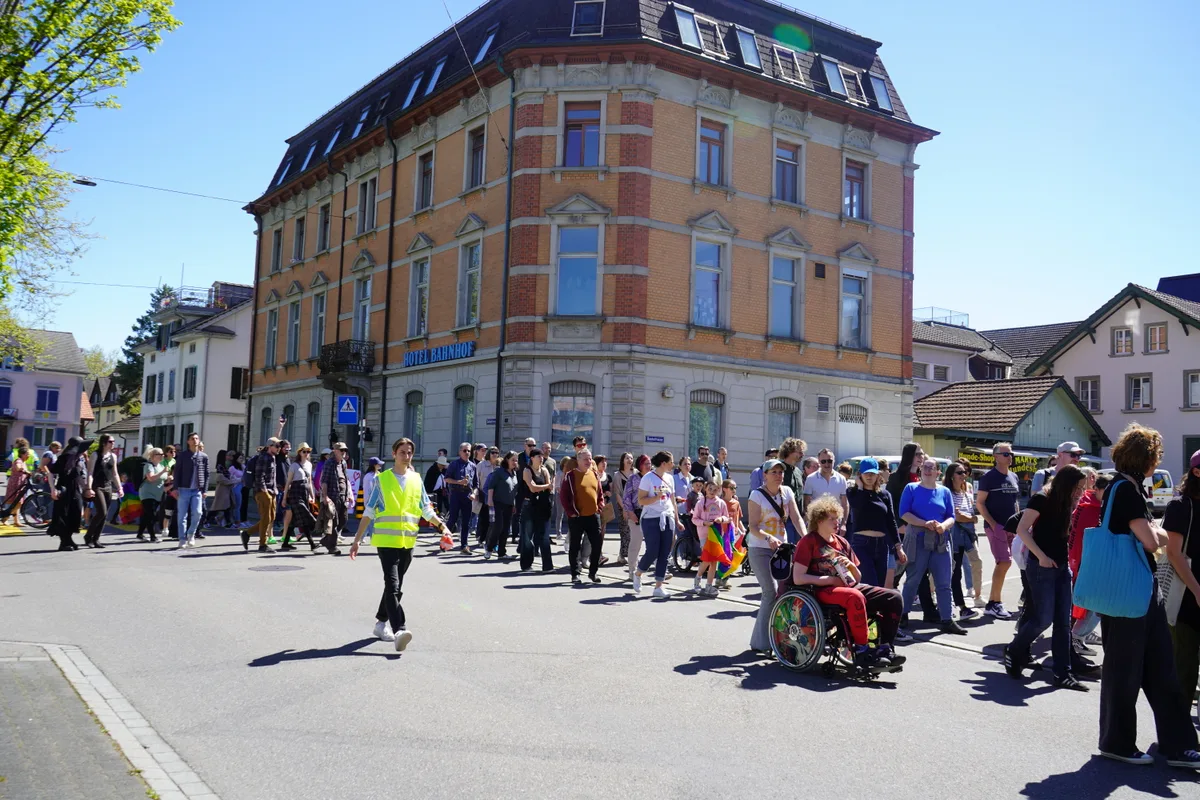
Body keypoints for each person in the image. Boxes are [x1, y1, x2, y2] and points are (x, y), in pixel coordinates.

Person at [1094, 424, 1200, 768]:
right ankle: (1117, 742)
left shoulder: (1128, 488)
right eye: (1157, 455)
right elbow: (1153, 541)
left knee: (1162, 670)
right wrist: (1157, 534)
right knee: (1124, 672)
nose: (1158, 462)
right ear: (1147, 457)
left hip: (1141, 590)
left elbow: (1149, 534)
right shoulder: (1125, 490)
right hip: (1129, 592)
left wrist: (1154, 532)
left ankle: (1179, 745)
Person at [350, 437, 452, 652]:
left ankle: (380, 623)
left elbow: (426, 509)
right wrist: (357, 540)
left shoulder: (416, 479)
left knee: (394, 587)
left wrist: (443, 528)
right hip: (386, 542)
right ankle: (400, 630)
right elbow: (369, 511)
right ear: (394, 454)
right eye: (402, 452)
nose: (406, 456)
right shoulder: (382, 480)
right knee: (393, 585)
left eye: (409, 453)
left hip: (407, 542)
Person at [793, 497, 906, 669]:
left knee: (894, 597)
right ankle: (862, 650)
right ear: (819, 520)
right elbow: (798, 577)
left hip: (847, 587)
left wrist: (852, 567)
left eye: (837, 518)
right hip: (821, 590)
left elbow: (857, 578)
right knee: (855, 596)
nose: (836, 522)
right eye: (832, 518)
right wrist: (830, 580)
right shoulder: (808, 542)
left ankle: (885, 648)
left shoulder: (842, 542)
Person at [1004, 464, 1089, 691]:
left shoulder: (1067, 501)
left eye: (1082, 488)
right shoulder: (1041, 498)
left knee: (1063, 623)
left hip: (1061, 567)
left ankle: (1063, 673)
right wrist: (1040, 556)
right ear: (1066, 484)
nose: (1080, 492)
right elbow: (1021, 529)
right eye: (1078, 488)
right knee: (1043, 619)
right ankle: (1014, 649)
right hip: (1040, 566)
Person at [898, 458, 967, 635]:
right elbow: (904, 513)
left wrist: (943, 526)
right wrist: (924, 523)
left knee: (944, 582)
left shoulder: (944, 492)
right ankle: (902, 616)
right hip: (918, 540)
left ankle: (947, 619)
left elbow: (951, 516)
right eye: (925, 467)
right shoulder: (911, 488)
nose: (928, 470)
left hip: (940, 541)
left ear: (938, 472)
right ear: (921, 470)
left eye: (932, 468)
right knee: (913, 579)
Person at [746, 458, 806, 652]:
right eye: (774, 472)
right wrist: (768, 538)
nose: (779, 476)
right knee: (770, 592)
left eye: (781, 472)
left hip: (782, 549)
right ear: (765, 475)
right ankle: (761, 643)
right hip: (760, 548)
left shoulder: (786, 492)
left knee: (783, 593)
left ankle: (776, 638)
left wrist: (806, 539)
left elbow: (796, 518)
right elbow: (753, 527)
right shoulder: (757, 495)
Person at [1166, 449, 1200, 717]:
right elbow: (1174, 553)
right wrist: (1197, 590)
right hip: (1187, 597)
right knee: (1184, 668)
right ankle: (1177, 734)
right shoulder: (1181, 506)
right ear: (1197, 472)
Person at [887, 442, 937, 620]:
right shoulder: (896, 478)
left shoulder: (923, 478)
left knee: (921, 572)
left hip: (920, 531)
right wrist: (899, 526)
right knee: (896, 574)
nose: (921, 457)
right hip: (901, 532)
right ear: (908, 456)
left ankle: (928, 612)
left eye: (922, 454)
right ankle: (894, 612)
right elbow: (890, 505)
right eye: (917, 454)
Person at [976, 442, 1022, 620]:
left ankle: (993, 603)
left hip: (1012, 527)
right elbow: (980, 503)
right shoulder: (989, 477)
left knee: (1005, 563)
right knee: (1004, 562)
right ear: (995, 456)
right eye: (1005, 454)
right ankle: (994, 603)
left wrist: (1019, 522)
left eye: (1011, 454)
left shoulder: (1014, 476)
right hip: (996, 526)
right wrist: (993, 524)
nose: (1010, 457)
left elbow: (1014, 501)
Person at [847, 458, 904, 588]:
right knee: (869, 584)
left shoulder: (884, 494)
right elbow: (857, 505)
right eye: (866, 473)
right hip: (862, 544)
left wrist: (898, 547)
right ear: (859, 474)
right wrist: (860, 488)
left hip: (882, 545)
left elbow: (891, 521)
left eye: (872, 473)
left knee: (879, 587)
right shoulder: (853, 492)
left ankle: (875, 609)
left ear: (878, 475)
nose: (869, 476)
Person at [634, 451, 684, 599]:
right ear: (663, 463)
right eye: (671, 462)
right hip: (651, 517)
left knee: (665, 553)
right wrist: (655, 497)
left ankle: (658, 586)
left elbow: (672, 500)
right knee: (653, 550)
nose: (673, 465)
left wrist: (677, 520)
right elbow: (641, 500)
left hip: (667, 517)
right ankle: (638, 573)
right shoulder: (648, 478)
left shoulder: (670, 478)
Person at [1070, 474, 1111, 654]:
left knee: (1088, 602)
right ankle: (1077, 636)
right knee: (1097, 602)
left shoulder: (1087, 503)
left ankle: (1079, 634)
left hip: (1079, 561)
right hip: (1086, 563)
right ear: (1097, 489)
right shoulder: (1092, 509)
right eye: (1106, 491)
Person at [561, 448, 605, 584]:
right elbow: (564, 497)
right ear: (578, 460)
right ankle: (575, 573)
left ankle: (593, 573)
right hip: (577, 517)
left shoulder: (594, 474)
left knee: (597, 544)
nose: (588, 461)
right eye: (585, 459)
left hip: (593, 516)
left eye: (590, 458)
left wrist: (600, 506)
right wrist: (571, 512)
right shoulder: (570, 476)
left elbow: (600, 494)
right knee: (575, 546)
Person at [944, 463, 980, 621]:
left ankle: (967, 600)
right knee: (953, 572)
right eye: (960, 472)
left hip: (966, 537)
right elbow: (956, 516)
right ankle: (959, 606)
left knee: (974, 564)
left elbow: (965, 513)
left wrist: (968, 517)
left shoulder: (966, 494)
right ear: (951, 475)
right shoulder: (948, 493)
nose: (963, 475)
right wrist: (970, 518)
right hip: (953, 537)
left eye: (965, 472)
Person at [47, 437, 92, 551]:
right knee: (64, 516)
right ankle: (64, 542)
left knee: (75, 514)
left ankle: (69, 539)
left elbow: (80, 476)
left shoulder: (79, 459)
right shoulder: (65, 458)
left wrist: (87, 489)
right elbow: (51, 474)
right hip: (64, 490)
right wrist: (53, 489)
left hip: (75, 490)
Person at [691, 477, 730, 597]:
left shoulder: (721, 503)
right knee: (707, 559)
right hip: (704, 534)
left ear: (718, 490)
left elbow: (727, 518)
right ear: (705, 490)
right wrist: (704, 523)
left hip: (717, 535)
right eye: (709, 489)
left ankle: (709, 585)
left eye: (714, 489)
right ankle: (697, 578)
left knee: (714, 562)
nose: (712, 491)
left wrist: (721, 519)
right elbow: (694, 519)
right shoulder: (700, 503)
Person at [82, 434, 121, 548]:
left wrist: (119, 488)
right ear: (104, 443)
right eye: (110, 441)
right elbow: (90, 473)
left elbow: (114, 473)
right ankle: (88, 536)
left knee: (104, 515)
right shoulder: (95, 455)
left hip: (108, 486)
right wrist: (89, 488)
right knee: (101, 512)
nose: (112, 443)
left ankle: (96, 539)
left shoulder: (113, 456)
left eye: (113, 441)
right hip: (97, 486)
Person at [519, 449, 555, 572]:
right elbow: (533, 488)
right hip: (529, 506)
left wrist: (545, 487)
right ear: (532, 458)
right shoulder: (527, 470)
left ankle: (548, 567)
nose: (541, 458)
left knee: (544, 537)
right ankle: (526, 565)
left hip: (543, 506)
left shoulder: (544, 470)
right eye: (538, 456)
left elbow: (550, 487)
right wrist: (545, 487)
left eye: (542, 456)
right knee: (527, 537)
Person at [242, 439, 280, 552]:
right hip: (263, 491)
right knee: (266, 518)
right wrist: (264, 491)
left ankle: (247, 533)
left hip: (272, 490)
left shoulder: (272, 457)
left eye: (279, 445)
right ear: (270, 446)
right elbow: (259, 476)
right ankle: (262, 544)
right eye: (277, 446)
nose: (279, 448)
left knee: (271, 518)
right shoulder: (264, 457)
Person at [173, 432, 208, 549]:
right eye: (192, 439)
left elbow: (206, 474)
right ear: (188, 442)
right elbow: (177, 472)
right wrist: (175, 488)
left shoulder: (203, 456)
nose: (195, 441)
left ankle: (191, 534)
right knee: (182, 515)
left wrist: (205, 490)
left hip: (197, 490)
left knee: (198, 513)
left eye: (197, 439)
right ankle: (182, 538)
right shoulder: (183, 456)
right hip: (183, 489)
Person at [282, 444, 318, 551]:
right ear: (299, 453)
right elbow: (288, 482)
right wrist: (284, 498)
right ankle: (313, 539)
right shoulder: (294, 465)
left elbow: (310, 481)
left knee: (295, 520)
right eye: (304, 451)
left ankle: (285, 543)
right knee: (304, 514)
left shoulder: (309, 465)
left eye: (308, 451)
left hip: (305, 492)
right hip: (295, 493)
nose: (306, 454)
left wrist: (312, 495)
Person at [484, 450, 519, 561]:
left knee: (505, 529)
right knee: (498, 526)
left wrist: (513, 504)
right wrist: (490, 499)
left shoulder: (514, 474)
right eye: (512, 460)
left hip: (509, 504)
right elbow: (491, 486)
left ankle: (502, 552)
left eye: (516, 460)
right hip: (498, 502)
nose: (515, 462)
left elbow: (513, 491)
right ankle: (489, 548)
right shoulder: (499, 471)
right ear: (507, 460)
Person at [623, 454, 651, 580]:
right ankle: (632, 570)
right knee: (636, 543)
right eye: (646, 463)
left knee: (653, 543)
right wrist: (631, 513)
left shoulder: (652, 478)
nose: (648, 466)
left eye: (650, 463)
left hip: (651, 513)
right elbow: (626, 497)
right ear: (640, 465)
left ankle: (660, 569)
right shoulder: (633, 478)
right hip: (636, 513)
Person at [318, 442, 349, 555]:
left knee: (344, 519)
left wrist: (348, 495)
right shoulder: (329, 463)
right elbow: (324, 481)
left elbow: (346, 479)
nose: (344, 452)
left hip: (342, 496)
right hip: (332, 496)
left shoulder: (343, 463)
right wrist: (325, 496)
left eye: (345, 450)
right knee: (334, 522)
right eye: (342, 450)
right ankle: (332, 546)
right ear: (335, 451)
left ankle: (326, 540)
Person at [445, 442, 476, 554]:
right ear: (460, 452)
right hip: (456, 494)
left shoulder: (473, 466)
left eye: (469, 451)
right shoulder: (454, 464)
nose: (467, 453)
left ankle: (464, 545)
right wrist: (459, 482)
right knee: (452, 519)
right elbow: (447, 479)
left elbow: (476, 484)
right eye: (465, 451)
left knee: (466, 521)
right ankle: (445, 541)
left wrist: (474, 493)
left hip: (467, 495)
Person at [715, 478, 745, 591]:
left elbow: (738, 518)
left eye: (735, 488)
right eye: (732, 488)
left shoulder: (736, 503)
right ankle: (721, 578)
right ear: (724, 489)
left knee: (731, 556)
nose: (734, 490)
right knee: (724, 556)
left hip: (733, 534)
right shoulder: (720, 502)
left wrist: (742, 530)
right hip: (722, 533)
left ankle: (723, 578)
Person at [803, 448, 849, 516]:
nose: (827, 464)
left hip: (836, 521)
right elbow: (806, 503)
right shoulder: (810, 479)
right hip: (817, 521)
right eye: (823, 461)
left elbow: (845, 504)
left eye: (829, 461)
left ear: (834, 461)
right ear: (819, 462)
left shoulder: (841, 479)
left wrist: (843, 523)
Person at [779, 438, 806, 543]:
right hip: (785, 519)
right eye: (799, 452)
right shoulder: (780, 470)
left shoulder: (798, 472)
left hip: (798, 517)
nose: (802, 454)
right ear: (789, 451)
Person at [137, 448, 166, 542]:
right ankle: (153, 536)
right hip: (147, 493)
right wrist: (163, 472)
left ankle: (140, 534)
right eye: (159, 454)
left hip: (158, 494)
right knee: (151, 515)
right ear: (153, 456)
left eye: (162, 454)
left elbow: (162, 480)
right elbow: (151, 478)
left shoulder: (161, 466)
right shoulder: (149, 466)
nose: (162, 456)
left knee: (147, 515)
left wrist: (169, 478)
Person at [613, 452, 635, 566]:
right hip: (623, 506)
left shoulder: (635, 473)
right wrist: (625, 509)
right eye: (627, 458)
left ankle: (631, 555)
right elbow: (617, 494)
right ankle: (622, 555)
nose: (630, 460)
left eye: (631, 458)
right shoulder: (617, 475)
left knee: (634, 532)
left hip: (635, 506)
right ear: (623, 460)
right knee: (625, 531)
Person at [475, 447, 498, 548]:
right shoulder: (481, 465)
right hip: (483, 494)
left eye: (497, 453)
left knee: (492, 519)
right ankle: (481, 538)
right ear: (489, 454)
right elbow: (476, 480)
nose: (495, 454)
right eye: (492, 452)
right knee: (483, 518)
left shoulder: (498, 465)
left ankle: (489, 539)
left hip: (496, 495)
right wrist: (475, 493)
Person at [206, 449, 235, 528]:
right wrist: (231, 481)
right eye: (227, 455)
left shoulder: (225, 465)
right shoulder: (220, 466)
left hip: (226, 489)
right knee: (217, 507)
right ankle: (207, 520)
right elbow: (220, 477)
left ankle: (227, 522)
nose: (228, 457)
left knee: (226, 507)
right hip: (222, 489)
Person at [1, 446, 30, 526]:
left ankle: (16, 521)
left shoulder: (23, 462)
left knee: (18, 502)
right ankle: (5, 518)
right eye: (27, 454)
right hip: (15, 484)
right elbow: (18, 468)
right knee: (13, 502)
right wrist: (24, 470)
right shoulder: (18, 461)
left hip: (20, 484)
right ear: (22, 454)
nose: (29, 456)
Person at [360, 457, 383, 544]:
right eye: (378, 464)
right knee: (371, 520)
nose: (380, 465)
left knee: (368, 519)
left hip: (376, 500)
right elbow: (369, 490)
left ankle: (360, 537)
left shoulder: (377, 474)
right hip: (371, 501)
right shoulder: (369, 476)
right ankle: (373, 538)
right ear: (374, 465)